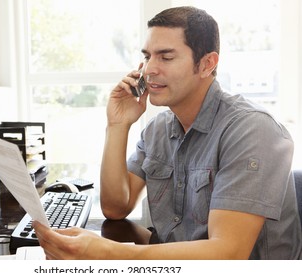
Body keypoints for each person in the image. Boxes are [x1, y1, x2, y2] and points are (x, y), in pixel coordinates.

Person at [33, 6, 302, 259]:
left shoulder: (252, 130)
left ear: (207, 64)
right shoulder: (159, 128)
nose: (149, 69)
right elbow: (116, 206)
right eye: (147, 56)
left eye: (166, 56)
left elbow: (228, 253)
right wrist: (117, 125)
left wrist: (109, 254)